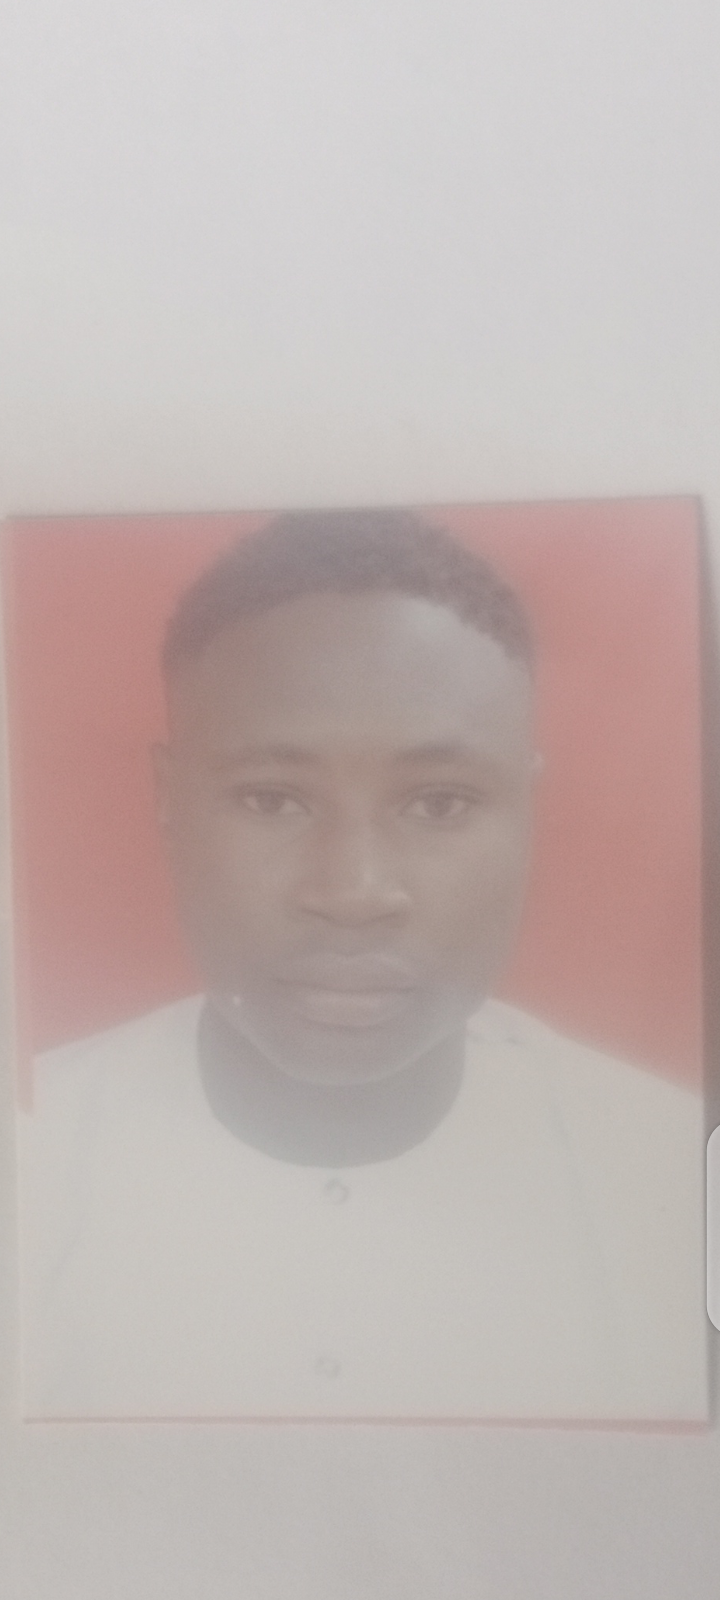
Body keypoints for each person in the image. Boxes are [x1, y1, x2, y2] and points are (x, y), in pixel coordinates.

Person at [18, 509, 708, 1422]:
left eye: (439, 804)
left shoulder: (670, 1180)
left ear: (529, 811)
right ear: (168, 800)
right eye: (273, 799)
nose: (353, 892)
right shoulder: (29, 1167)